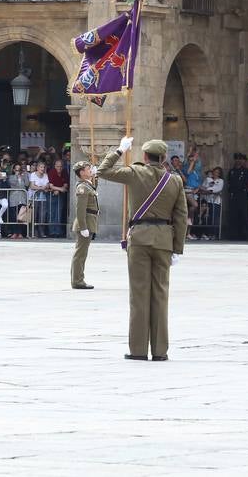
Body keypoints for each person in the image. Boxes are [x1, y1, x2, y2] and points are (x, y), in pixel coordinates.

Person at [97, 137, 188, 362]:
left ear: (145, 157)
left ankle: (138, 349)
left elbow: (102, 171)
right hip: (164, 240)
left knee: (139, 295)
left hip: (139, 238)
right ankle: (159, 351)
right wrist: (178, 248)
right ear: (164, 158)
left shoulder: (135, 173)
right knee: (160, 295)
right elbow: (181, 216)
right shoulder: (175, 181)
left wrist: (119, 149)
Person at [70, 160, 98, 289]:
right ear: (81, 173)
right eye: (88, 169)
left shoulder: (87, 185)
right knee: (80, 254)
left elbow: (94, 189)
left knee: (82, 253)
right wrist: (83, 227)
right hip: (85, 222)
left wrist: (96, 176)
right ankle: (77, 281)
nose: (90, 171)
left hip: (90, 221)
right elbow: (80, 209)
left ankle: (78, 278)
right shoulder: (82, 187)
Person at [225, 153, 248, 240]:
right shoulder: (231, 171)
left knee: (244, 215)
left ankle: (245, 234)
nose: (238, 161)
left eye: (240, 159)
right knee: (233, 215)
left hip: (243, 195)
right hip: (234, 195)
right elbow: (229, 183)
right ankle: (233, 234)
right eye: (237, 159)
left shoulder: (246, 171)